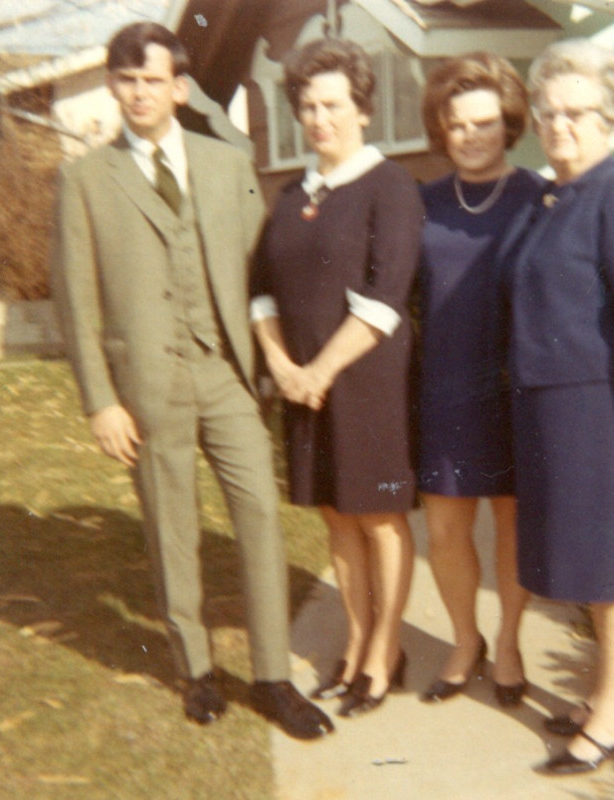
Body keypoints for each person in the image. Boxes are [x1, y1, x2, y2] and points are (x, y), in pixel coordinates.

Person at [51, 22, 333, 741]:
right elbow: (76, 302)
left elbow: (260, 272)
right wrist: (100, 401)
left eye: (153, 80)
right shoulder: (86, 179)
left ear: (178, 87)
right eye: (126, 81)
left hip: (228, 375)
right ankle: (196, 670)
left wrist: (279, 360)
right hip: (149, 387)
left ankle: (272, 677)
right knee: (170, 528)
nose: (140, 93)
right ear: (114, 88)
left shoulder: (226, 160)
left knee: (261, 520)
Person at [503, 38, 614, 774]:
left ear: (609, 115)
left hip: (601, 406)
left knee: (613, 564)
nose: (559, 124)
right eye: (547, 111)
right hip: (547, 406)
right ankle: (608, 693)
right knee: (581, 559)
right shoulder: (549, 197)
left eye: (576, 111)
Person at [251, 38, 423, 718]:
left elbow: (386, 298)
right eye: (308, 106)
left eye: (333, 105)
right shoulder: (293, 195)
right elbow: (261, 293)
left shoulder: (391, 188)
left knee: (378, 515)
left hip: (368, 383)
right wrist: (284, 369)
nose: (319, 118)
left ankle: (385, 651)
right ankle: (354, 645)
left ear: (362, 109)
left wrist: (318, 369)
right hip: (305, 388)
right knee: (336, 516)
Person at [416, 53, 543, 705]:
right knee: (444, 529)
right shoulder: (421, 202)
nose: (471, 135)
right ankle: (466, 641)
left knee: (514, 526)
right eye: (457, 122)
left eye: (485, 122)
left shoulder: (541, 197)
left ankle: (512, 639)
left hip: (515, 389)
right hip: (442, 387)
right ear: (441, 127)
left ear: (509, 123)